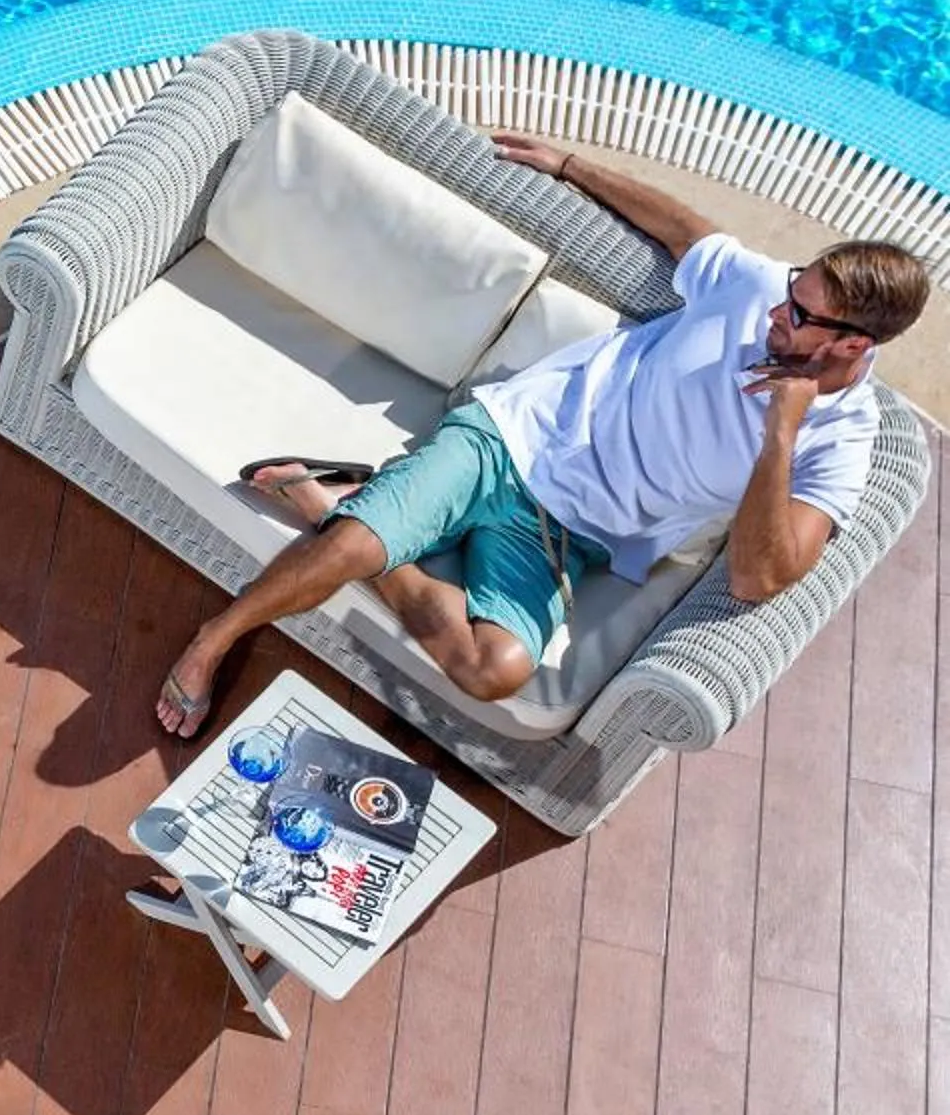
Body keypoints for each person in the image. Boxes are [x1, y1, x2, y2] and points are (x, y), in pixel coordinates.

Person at [155, 135, 931, 735]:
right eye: (790, 290)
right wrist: (569, 163)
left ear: (853, 344)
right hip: (512, 437)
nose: (774, 311)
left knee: (495, 670)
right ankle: (214, 640)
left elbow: (761, 578)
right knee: (357, 548)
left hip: (578, 533)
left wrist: (780, 436)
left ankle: (336, 505)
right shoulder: (757, 285)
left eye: (798, 315)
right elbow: (684, 230)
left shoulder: (841, 443)